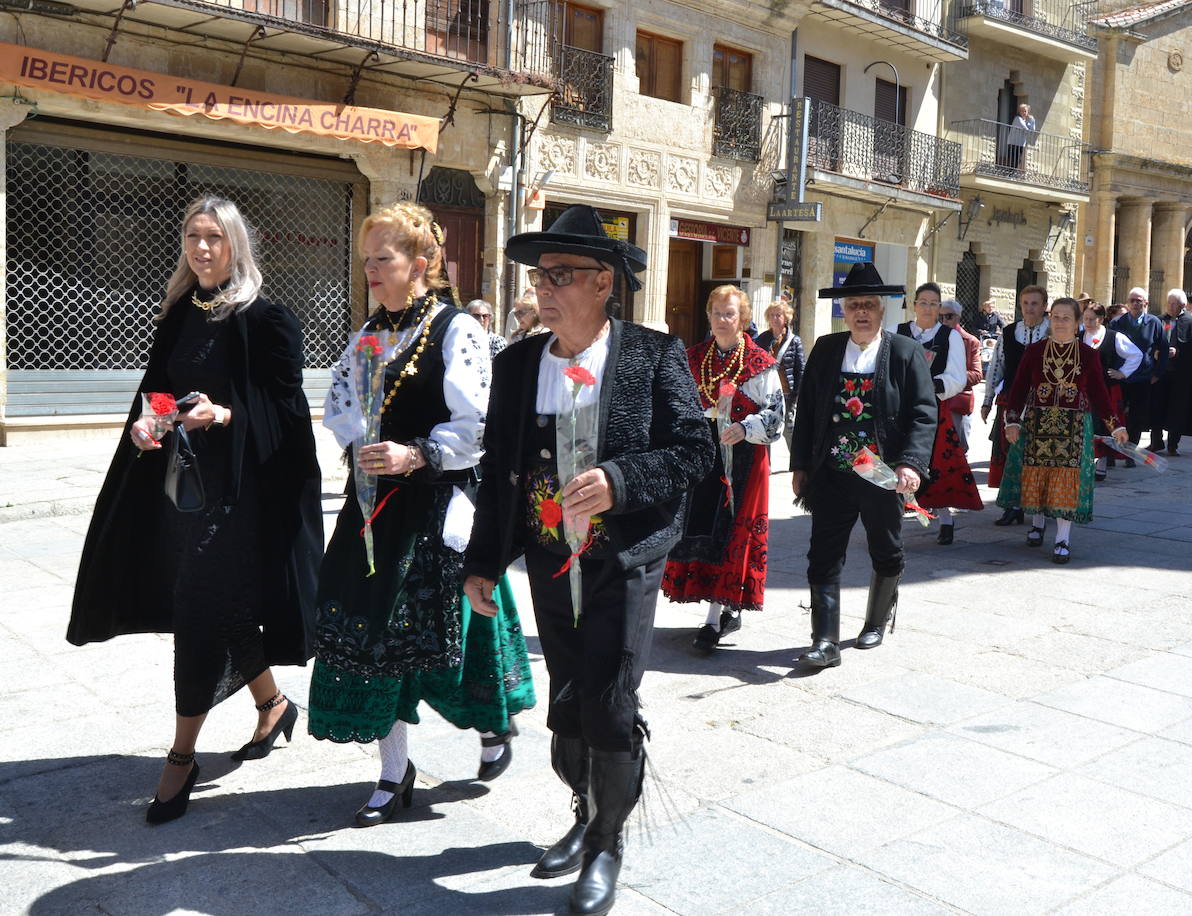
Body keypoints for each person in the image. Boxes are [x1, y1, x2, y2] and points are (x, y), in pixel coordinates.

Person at [463, 205, 714, 916]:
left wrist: (621, 482)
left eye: (561, 275)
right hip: (549, 562)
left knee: (609, 701)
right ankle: (583, 813)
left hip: (625, 560)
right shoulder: (516, 365)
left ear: (604, 282)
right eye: (539, 275)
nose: (544, 288)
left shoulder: (650, 354)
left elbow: (694, 451)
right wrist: (483, 562)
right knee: (568, 702)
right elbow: (500, 470)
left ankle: (607, 842)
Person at [68, 197, 324, 824]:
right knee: (216, 604)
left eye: (214, 237)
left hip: (239, 497)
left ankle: (181, 756)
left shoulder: (266, 319)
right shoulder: (181, 310)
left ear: (236, 244)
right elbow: (160, 386)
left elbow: (289, 420)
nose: (201, 248)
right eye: (192, 236)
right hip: (182, 490)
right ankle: (273, 704)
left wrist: (227, 414)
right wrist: (148, 424)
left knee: (199, 611)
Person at [309, 202, 535, 826]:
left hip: (436, 507)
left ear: (423, 264)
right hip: (373, 510)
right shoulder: (368, 335)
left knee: (456, 634)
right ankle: (394, 768)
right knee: (374, 637)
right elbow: (340, 406)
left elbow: (476, 424)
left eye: (384, 259)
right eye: (367, 262)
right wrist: (363, 441)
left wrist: (416, 453)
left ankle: (492, 725)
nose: (372, 273)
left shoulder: (457, 330)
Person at [791, 262, 938, 668]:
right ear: (844, 310)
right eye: (854, 304)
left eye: (869, 305)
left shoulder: (905, 352)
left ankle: (877, 619)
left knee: (885, 548)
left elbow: (925, 413)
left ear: (882, 310)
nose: (861, 312)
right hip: (832, 471)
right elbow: (807, 411)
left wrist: (911, 463)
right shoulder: (825, 348)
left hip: (881, 471)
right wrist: (800, 464)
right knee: (823, 552)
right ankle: (824, 641)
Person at [664, 286, 784, 653]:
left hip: (744, 462)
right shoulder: (693, 357)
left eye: (729, 313)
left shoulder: (760, 362)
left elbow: (777, 416)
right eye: (716, 312)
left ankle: (715, 617)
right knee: (697, 528)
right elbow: (676, 404)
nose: (721, 319)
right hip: (703, 458)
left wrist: (746, 428)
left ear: (743, 319)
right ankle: (718, 608)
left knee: (731, 534)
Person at [998, 297, 1127, 564]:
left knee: (1065, 481)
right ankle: (1037, 523)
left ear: (1078, 323)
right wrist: (1012, 420)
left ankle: (1062, 540)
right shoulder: (1034, 351)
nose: (1059, 322)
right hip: (1037, 425)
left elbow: (1100, 396)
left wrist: (1116, 426)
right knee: (1039, 475)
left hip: (1074, 428)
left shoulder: (1089, 355)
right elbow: (1019, 388)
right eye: (1055, 316)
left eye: (1066, 318)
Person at [897, 283, 982, 544]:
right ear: (914, 305)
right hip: (899, 410)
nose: (928, 307)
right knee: (896, 464)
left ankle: (945, 519)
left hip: (932, 409)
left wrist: (928, 386)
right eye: (923, 302)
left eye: (934, 303)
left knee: (935, 466)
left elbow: (957, 377)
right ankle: (891, 523)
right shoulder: (897, 332)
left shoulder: (949, 336)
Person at [982, 285, 1050, 519]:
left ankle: (1040, 505)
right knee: (1011, 452)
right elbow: (996, 367)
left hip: (1045, 403)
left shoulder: (1053, 331)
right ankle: (1012, 505)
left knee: (1039, 453)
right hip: (1012, 400)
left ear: (1044, 306)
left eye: (1034, 303)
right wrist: (987, 400)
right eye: (1025, 304)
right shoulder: (1010, 332)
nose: (1029, 308)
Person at [1081, 301, 1140, 481]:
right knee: (1086, 426)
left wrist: (1122, 373)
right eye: (1085, 319)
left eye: (1091, 319)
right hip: (1083, 390)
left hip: (1106, 389)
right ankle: (1086, 462)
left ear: (1101, 319)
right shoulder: (1079, 336)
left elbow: (1136, 354)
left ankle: (1101, 464)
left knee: (1106, 425)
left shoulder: (1114, 337)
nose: (1088, 323)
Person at [1108, 287, 1166, 464]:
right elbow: (1108, 348)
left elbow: (1163, 348)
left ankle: (1129, 454)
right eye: (1132, 300)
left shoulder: (1154, 323)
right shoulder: (1116, 323)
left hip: (1142, 378)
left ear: (1145, 303)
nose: (1135, 303)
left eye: (1138, 300)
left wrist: (1157, 373)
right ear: (1127, 302)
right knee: (1115, 415)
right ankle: (1110, 453)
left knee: (1137, 417)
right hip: (1120, 377)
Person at [1151, 289, 1192, 457]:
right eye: (1169, 303)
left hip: (1181, 375)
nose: (1171, 307)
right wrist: (1155, 352)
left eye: (1175, 304)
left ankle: (1173, 444)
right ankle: (1155, 441)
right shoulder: (1158, 321)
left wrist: (1179, 352)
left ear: (1183, 305)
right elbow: (1149, 344)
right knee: (1157, 407)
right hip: (1160, 374)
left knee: (1177, 409)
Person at [754, 298, 806, 450]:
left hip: (786, 392)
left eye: (778, 315)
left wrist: (797, 394)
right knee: (766, 426)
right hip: (766, 391)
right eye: (771, 315)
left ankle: (797, 462)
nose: (774, 318)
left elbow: (800, 370)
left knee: (788, 428)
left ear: (786, 318)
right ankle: (766, 466)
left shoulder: (794, 341)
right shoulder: (761, 339)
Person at [941, 298, 984, 448]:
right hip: (934, 401)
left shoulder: (970, 341)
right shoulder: (931, 337)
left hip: (957, 402)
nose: (944, 320)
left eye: (949, 316)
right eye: (940, 317)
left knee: (958, 449)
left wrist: (951, 377)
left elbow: (977, 374)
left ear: (958, 318)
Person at [1005, 103, 1036, 171]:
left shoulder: (1024, 121)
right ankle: (1010, 174)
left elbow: (1032, 130)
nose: (1024, 112)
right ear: (1019, 111)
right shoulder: (1018, 119)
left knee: (1017, 160)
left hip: (1020, 143)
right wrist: (1030, 124)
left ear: (1028, 112)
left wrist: (1032, 120)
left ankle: (1012, 174)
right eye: (1022, 111)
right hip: (1013, 143)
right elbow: (1027, 129)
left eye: (1025, 111)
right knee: (1013, 160)